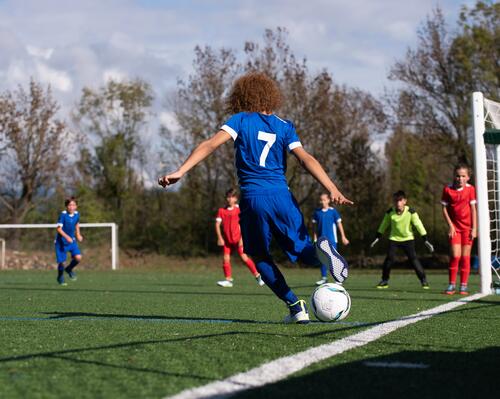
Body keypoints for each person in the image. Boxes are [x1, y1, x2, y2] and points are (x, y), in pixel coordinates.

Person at [159, 72, 352, 324]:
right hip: (282, 196)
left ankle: (296, 306)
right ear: (271, 96)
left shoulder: (240, 120)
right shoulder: (285, 126)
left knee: (259, 256)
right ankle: (322, 253)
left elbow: (210, 144)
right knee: (302, 247)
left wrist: (180, 171)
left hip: (253, 198)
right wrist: (331, 186)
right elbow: (305, 159)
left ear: (242, 96)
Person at [371, 190, 433, 289]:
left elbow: (419, 225)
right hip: (394, 239)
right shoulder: (390, 212)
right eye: (396, 201)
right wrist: (378, 236)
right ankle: (384, 281)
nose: (398, 203)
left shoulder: (411, 212)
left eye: (400, 200)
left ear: (405, 201)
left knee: (413, 259)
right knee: (389, 258)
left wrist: (425, 239)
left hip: (408, 239)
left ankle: (423, 280)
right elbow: (384, 225)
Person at [215, 188, 264, 287]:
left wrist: (242, 238)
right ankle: (228, 280)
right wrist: (220, 237)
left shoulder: (239, 209)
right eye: (228, 197)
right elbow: (217, 224)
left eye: (232, 197)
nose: (229, 199)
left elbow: (244, 224)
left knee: (244, 257)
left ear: (236, 199)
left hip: (238, 239)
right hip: (228, 241)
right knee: (225, 259)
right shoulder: (221, 211)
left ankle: (258, 276)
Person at [441, 164, 477, 295]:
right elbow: (444, 209)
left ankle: (463, 286)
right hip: (455, 229)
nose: (460, 178)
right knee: (456, 255)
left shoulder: (471, 189)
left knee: (465, 257)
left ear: (468, 177)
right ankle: (451, 285)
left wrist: (475, 228)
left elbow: (473, 209)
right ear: (454, 176)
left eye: (463, 176)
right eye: (458, 175)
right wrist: (450, 225)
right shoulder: (447, 190)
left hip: (468, 229)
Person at [312, 193, 349, 285]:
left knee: (334, 259)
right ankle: (324, 278)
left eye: (324, 200)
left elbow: (339, 224)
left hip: (332, 240)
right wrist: (315, 237)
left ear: (328, 200)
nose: (322, 202)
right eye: (321, 200)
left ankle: (338, 278)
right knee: (322, 259)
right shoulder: (317, 212)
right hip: (321, 241)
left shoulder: (333, 212)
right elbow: (314, 227)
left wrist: (343, 236)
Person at [55, 196, 83, 286]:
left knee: (78, 257)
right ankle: (60, 277)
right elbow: (58, 229)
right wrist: (67, 237)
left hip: (72, 241)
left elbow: (77, 224)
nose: (71, 207)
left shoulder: (77, 214)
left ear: (76, 206)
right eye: (69, 205)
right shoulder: (63, 215)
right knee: (62, 263)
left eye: (73, 205)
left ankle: (69, 269)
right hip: (61, 242)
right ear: (66, 206)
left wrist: (78, 234)